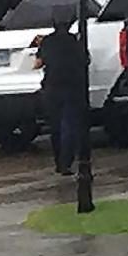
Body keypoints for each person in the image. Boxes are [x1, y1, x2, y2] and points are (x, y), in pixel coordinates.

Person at [34, 9, 88, 175]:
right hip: (72, 88)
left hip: (51, 88)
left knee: (55, 127)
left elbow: (37, 64)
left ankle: (58, 162)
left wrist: (42, 49)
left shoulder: (47, 42)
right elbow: (85, 60)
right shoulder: (75, 41)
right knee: (69, 125)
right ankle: (67, 162)